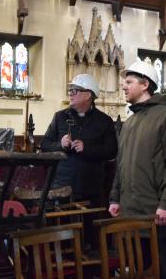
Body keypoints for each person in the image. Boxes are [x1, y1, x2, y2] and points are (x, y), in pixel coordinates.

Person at [109, 60, 166, 279]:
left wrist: (165, 203)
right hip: (132, 208)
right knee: (141, 269)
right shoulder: (130, 122)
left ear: (145, 85)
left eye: (129, 82)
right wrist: (115, 198)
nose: (124, 86)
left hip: (155, 209)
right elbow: (120, 164)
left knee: (165, 266)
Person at [41, 73, 117, 207]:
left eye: (74, 91)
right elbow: (45, 144)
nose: (70, 94)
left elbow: (112, 151)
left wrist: (87, 148)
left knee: (89, 226)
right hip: (62, 185)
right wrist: (61, 145)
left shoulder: (104, 121)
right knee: (61, 226)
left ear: (88, 95)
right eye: (70, 90)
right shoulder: (60, 117)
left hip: (90, 187)